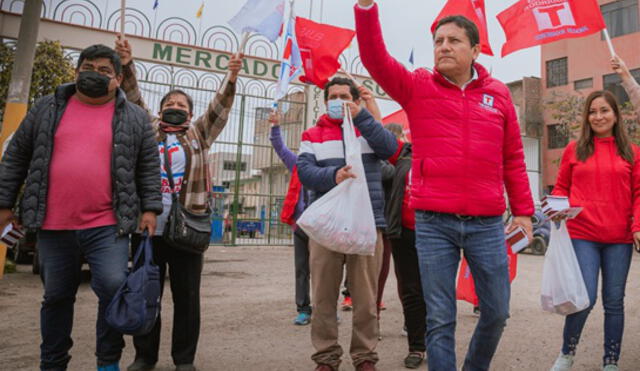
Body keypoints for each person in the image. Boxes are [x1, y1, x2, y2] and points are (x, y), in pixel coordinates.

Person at [354, 2, 535, 370]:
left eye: (454, 40)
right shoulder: (418, 86)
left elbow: (513, 159)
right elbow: (374, 58)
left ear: (476, 50)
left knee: (497, 312)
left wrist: (525, 214)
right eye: (438, 41)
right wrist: (366, 7)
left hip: (486, 223)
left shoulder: (499, 94)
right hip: (434, 222)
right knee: (440, 319)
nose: (444, 47)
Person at [0, 44, 162, 371]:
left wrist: (150, 209)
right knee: (57, 296)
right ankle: (53, 362)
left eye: (105, 71)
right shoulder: (46, 108)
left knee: (113, 288)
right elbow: (16, 156)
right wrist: (3, 204)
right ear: (76, 72)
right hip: (53, 224)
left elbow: (148, 167)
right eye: (89, 67)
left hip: (108, 224)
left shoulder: (136, 118)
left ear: (118, 78)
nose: (95, 74)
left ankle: (107, 362)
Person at [115, 37, 242, 371]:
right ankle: (144, 356)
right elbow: (131, 96)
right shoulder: (147, 128)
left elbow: (220, 108)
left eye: (183, 104)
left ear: (190, 111)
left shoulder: (199, 134)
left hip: (189, 229)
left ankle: (184, 360)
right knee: (146, 294)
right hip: (149, 230)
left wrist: (230, 79)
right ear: (159, 109)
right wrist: (127, 64)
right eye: (170, 102)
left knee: (187, 299)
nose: (176, 106)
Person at [297, 77, 398, 371]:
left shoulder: (367, 131)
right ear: (325, 100)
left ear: (354, 100)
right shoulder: (313, 134)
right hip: (326, 229)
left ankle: (365, 357)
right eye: (333, 96)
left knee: (366, 299)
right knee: (324, 297)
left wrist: (364, 115)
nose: (338, 101)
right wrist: (333, 176)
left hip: (368, 223)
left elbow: (390, 148)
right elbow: (304, 171)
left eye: (344, 96)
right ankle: (326, 358)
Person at [549, 64, 640, 371]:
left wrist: (637, 226)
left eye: (604, 110)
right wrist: (556, 207)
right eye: (593, 111)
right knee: (583, 297)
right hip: (582, 234)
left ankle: (610, 361)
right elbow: (560, 186)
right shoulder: (575, 149)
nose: (598, 116)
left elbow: (639, 194)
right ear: (586, 117)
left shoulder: (632, 152)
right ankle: (566, 353)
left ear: (616, 114)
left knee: (614, 302)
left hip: (619, 239)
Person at [383, 123, 427, 369]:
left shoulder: (445, 152)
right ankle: (417, 346)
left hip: (437, 235)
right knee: (411, 291)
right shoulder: (402, 154)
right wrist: (366, 105)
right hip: (403, 233)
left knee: (435, 291)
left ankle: (439, 342)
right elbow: (378, 135)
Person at [268, 109, 312, 325]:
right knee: (301, 269)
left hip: (322, 227)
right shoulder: (296, 164)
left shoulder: (328, 165)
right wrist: (276, 126)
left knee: (325, 271)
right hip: (300, 227)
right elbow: (280, 148)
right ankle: (303, 308)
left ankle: (325, 308)